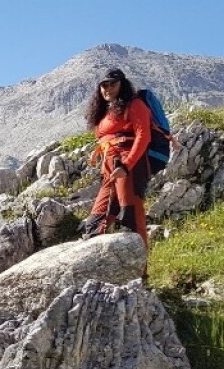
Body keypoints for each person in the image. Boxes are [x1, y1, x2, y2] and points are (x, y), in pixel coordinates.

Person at [81, 68, 152, 273]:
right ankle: (93, 271)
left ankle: (140, 274)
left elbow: (143, 137)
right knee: (97, 219)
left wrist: (127, 165)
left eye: (112, 84)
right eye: (104, 85)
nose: (108, 89)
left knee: (131, 216)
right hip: (110, 168)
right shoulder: (106, 111)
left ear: (122, 84)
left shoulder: (135, 104)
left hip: (128, 166)